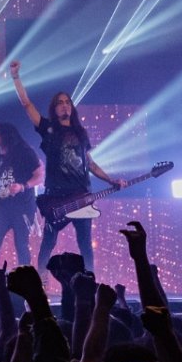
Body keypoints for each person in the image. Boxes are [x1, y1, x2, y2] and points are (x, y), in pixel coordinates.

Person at [8, 61, 122, 272]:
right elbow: (26, 104)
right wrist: (15, 77)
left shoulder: (80, 133)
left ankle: (89, 284)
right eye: (60, 102)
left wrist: (110, 180)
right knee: (48, 242)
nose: (64, 105)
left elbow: (90, 163)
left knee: (85, 244)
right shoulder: (48, 128)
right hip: (56, 197)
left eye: (67, 102)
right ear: (55, 108)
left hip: (81, 195)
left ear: (72, 107)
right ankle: (38, 283)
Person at [0, 121, 43, 270]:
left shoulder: (25, 152)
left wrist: (23, 186)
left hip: (21, 207)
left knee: (22, 245)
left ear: (7, 134)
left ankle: (25, 280)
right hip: (0, 207)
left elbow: (39, 175)